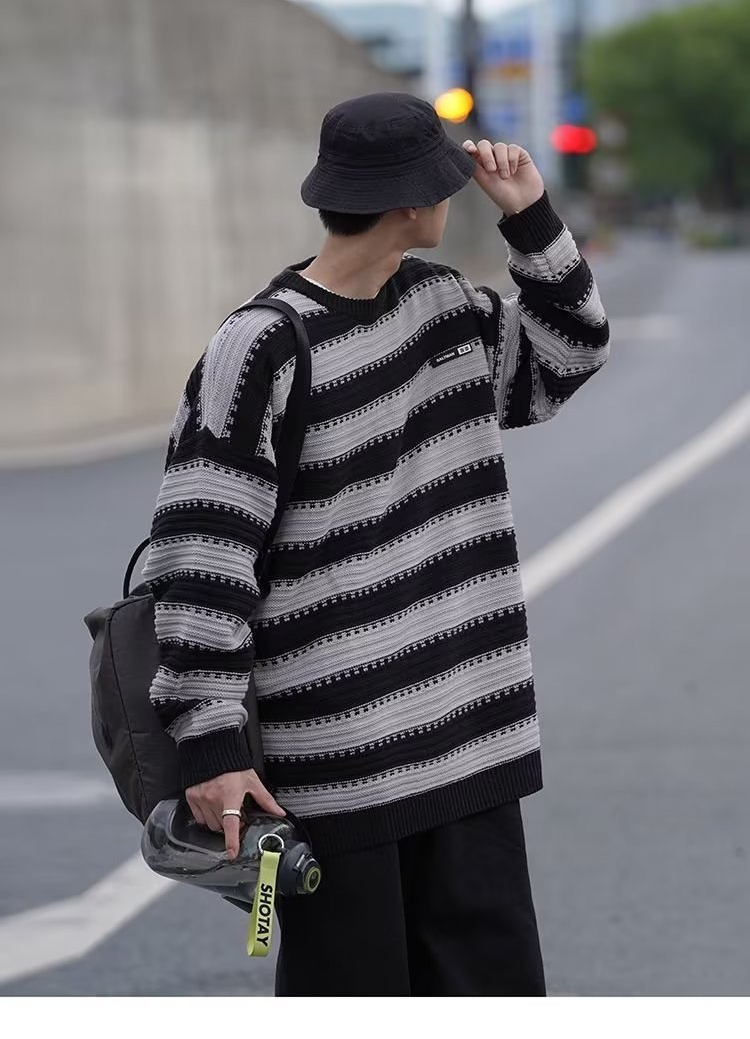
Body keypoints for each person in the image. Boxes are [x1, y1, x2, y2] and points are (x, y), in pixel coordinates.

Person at [141, 92, 610, 996]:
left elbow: (568, 356)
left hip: (472, 748)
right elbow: (200, 559)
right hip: (338, 769)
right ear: (411, 203)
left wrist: (533, 221)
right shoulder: (262, 347)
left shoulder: (443, 306)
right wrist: (213, 747)